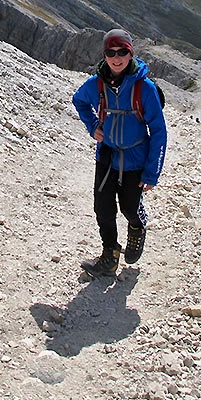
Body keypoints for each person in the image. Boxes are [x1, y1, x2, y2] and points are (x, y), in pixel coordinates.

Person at [72, 29, 168, 277]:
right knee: (102, 208)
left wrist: (152, 173)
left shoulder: (143, 88)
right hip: (107, 155)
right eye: (111, 52)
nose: (117, 58)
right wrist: (93, 126)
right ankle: (109, 255)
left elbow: (158, 131)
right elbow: (79, 101)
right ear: (104, 55)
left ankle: (137, 227)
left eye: (122, 51)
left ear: (130, 53)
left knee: (129, 208)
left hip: (135, 159)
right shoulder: (97, 84)